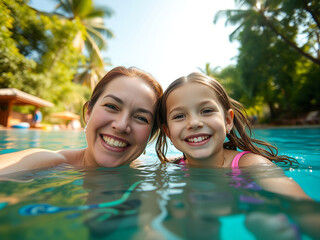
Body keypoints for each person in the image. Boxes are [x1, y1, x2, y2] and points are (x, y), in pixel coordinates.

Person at [155, 72, 310, 199]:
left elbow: (302, 206)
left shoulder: (252, 165)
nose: (194, 123)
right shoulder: (171, 164)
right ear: (168, 132)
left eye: (207, 111)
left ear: (228, 121)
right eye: (179, 116)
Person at [0, 66, 163, 175]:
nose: (121, 126)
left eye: (141, 118)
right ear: (88, 113)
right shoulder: (46, 162)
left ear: (151, 133)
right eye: (112, 107)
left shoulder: (154, 168)